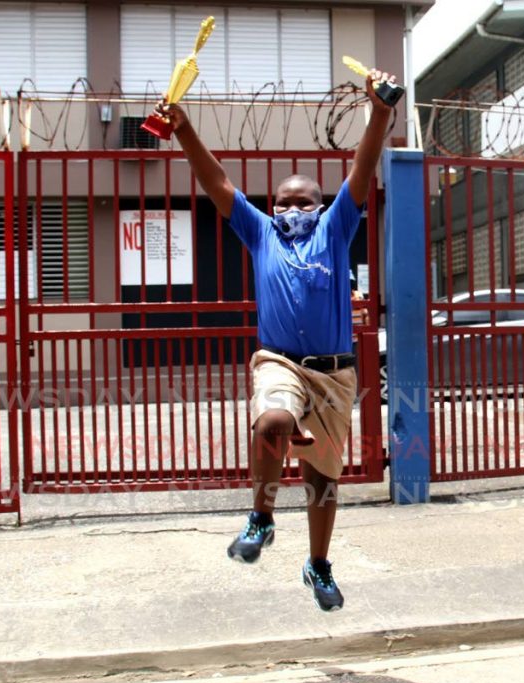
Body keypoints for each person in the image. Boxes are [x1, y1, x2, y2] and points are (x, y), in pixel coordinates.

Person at [155, 68, 396, 611]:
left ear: (322, 206)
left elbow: (361, 167)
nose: (292, 211)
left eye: (303, 203)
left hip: (333, 372)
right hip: (279, 362)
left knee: (322, 482)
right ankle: (261, 518)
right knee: (272, 423)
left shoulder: (336, 229)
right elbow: (216, 181)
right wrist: (186, 130)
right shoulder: (259, 231)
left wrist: (380, 111)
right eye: (283, 203)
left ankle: (318, 565)